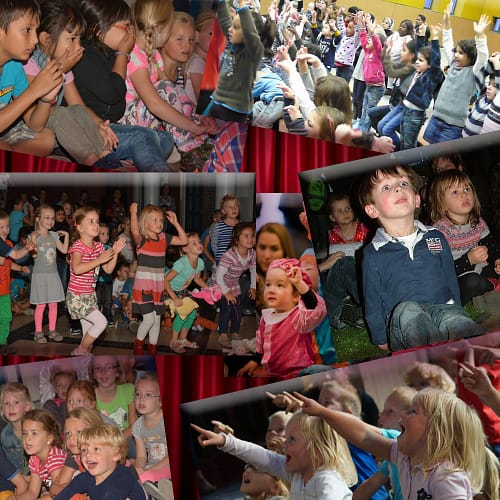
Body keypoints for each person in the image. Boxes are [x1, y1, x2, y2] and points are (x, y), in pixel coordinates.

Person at [359, 165, 483, 351]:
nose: (398, 188)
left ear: (416, 199)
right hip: (402, 319)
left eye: (403, 183)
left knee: (456, 320)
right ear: (372, 210)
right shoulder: (374, 253)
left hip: (442, 308)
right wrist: (379, 336)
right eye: (386, 187)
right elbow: (372, 299)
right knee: (408, 311)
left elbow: (450, 278)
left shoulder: (436, 237)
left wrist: (457, 308)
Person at [295, 388, 493, 499]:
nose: (403, 415)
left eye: (412, 411)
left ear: (435, 432)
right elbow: (364, 434)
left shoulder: (446, 477)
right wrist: (322, 412)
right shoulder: (404, 457)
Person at [73, 0, 176, 172]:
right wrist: (123, 53)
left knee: (166, 139)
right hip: (92, 130)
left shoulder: (108, 53)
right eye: (126, 26)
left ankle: (130, 156)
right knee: (142, 137)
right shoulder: (86, 57)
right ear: (98, 30)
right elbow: (114, 93)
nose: (131, 32)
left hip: (112, 128)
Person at [23, 0, 121, 168]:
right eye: (72, 39)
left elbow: (78, 105)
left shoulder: (64, 66)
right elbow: (36, 108)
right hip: (33, 124)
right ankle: (91, 161)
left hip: (54, 125)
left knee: (77, 111)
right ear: (46, 39)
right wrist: (61, 70)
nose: (79, 47)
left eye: (79, 39)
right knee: (60, 113)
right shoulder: (29, 64)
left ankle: (105, 155)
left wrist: (99, 124)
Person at [191, 407, 357, 499]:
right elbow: (259, 455)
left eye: (291, 439)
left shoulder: (328, 481)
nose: (284, 443)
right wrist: (225, 441)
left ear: (317, 449)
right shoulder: (297, 475)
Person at [237, 258, 326, 378]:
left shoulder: (299, 317)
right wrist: (255, 361)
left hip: (298, 374)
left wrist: (299, 284)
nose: (271, 290)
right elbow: (260, 343)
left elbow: (315, 308)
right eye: (268, 284)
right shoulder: (266, 316)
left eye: (280, 285)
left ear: (296, 295)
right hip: (272, 372)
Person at [0, 0, 63, 157]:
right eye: (27, 30)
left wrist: (45, 99)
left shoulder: (15, 67)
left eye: (36, 30)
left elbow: (34, 125)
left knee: (47, 138)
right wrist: (33, 91)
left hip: (5, 132)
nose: (35, 39)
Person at [429, 169, 500, 306]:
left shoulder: (477, 222)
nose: (464, 194)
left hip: (480, 271)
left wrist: (497, 259)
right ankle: (487, 293)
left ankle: (487, 293)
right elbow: (437, 270)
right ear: (442, 202)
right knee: (472, 281)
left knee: (484, 275)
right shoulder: (436, 232)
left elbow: (491, 246)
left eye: (467, 189)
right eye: (455, 192)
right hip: (454, 281)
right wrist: (468, 260)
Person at [423, 7, 490, 143]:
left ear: (471, 57)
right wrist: (447, 22)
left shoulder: (473, 72)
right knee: (428, 150)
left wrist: (480, 36)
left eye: (461, 53)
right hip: (436, 118)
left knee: (443, 155)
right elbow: (448, 43)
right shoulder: (453, 64)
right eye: (456, 52)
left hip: (453, 126)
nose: (456, 55)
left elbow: (483, 57)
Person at [66, 206, 126, 356]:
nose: (96, 225)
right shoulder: (78, 247)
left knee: (89, 337)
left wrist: (115, 253)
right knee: (101, 322)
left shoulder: (99, 246)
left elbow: (108, 270)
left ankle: (83, 360)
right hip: (77, 296)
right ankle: (80, 351)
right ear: (80, 227)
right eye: (91, 221)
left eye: (97, 221)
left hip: (90, 295)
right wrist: (99, 260)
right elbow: (77, 269)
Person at [130, 202, 187, 355]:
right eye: (154, 220)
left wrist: (176, 223)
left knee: (156, 320)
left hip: (157, 287)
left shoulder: (163, 238)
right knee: (148, 319)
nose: (159, 223)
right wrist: (133, 213)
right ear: (145, 223)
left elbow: (184, 241)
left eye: (161, 220)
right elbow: (134, 230)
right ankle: (138, 345)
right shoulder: (142, 240)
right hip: (143, 287)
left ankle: (153, 349)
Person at [51, 424, 147, 500]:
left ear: (116, 455)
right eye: (84, 450)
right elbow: (65, 494)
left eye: (96, 449)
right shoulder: (86, 478)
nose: (88, 455)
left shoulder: (123, 477)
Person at [208, 0, 264, 123]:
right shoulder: (235, 46)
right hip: (217, 102)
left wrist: (241, 4)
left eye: (236, 27)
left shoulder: (253, 52)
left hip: (234, 110)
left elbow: (250, 33)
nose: (230, 29)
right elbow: (224, 21)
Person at [322, 193, 368, 330]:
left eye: (348, 208)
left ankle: (362, 304)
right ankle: (345, 306)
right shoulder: (332, 234)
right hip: (342, 279)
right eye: (339, 211)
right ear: (332, 217)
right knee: (341, 263)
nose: (345, 213)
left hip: (361, 273)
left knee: (348, 265)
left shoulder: (363, 228)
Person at [30, 204, 68, 344]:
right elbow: (34, 256)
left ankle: (52, 330)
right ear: (38, 219)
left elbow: (64, 250)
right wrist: (33, 241)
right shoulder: (34, 236)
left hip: (53, 275)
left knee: (53, 304)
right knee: (41, 305)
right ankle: (38, 332)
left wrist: (67, 236)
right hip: (40, 276)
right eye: (47, 217)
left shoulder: (53, 235)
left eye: (52, 218)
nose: (50, 221)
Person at [164, 233, 208, 353]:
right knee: (182, 314)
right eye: (194, 243)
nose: (199, 244)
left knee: (192, 313)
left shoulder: (200, 262)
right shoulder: (181, 264)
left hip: (181, 291)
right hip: (169, 290)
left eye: (199, 242)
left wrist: (209, 288)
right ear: (186, 249)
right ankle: (173, 341)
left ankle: (183, 339)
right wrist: (174, 297)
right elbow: (165, 280)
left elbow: (197, 279)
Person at [215, 222, 256, 348]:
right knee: (227, 308)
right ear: (237, 240)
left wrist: (253, 286)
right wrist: (226, 293)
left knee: (237, 309)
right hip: (220, 283)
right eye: (246, 236)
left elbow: (253, 269)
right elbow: (218, 276)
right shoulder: (229, 255)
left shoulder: (252, 253)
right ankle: (222, 334)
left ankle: (235, 332)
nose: (250, 239)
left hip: (234, 282)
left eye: (252, 236)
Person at [51, 408, 105, 495]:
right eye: (68, 433)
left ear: (96, 432)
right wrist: (55, 488)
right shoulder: (74, 457)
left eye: (79, 432)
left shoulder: (102, 458)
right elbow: (59, 487)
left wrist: (56, 489)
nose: (72, 438)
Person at [17, 409, 66, 499]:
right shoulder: (34, 459)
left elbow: (58, 494)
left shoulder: (55, 458)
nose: (27, 438)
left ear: (49, 438)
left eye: (34, 433)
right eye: (24, 433)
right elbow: (32, 492)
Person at [0, 211, 32, 350]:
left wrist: (20, 268)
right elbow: (16, 255)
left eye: (7, 226)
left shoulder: (7, 243)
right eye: (1, 227)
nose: (5, 230)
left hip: (4, 290)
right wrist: (27, 248)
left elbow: (8, 263)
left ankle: (2, 342)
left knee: (6, 317)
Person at [132, 373, 170, 485]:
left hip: (168, 465)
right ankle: (153, 486)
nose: (141, 399)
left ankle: (161, 487)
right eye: (138, 394)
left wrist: (150, 471)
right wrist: (138, 468)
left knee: (146, 477)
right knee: (132, 472)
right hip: (151, 466)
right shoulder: (137, 426)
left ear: (161, 401)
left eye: (148, 395)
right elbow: (141, 457)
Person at [90, 356, 137, 440]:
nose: (103, 372)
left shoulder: (129, 390)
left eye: (108, 367)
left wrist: (113, 441)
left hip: (126, 440)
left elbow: (134, 427)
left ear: (117, 371)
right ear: (93, 374)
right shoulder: (89, 396)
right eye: (98, 368)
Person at [0, 383, 32, 474]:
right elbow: (12, 466)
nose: (11, 407)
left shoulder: (37, 427)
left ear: (27, 406)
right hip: (21, 476)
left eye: (16, 402)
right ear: (2, 409)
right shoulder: (5, 436)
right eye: (7, 403)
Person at [186, 11, 216, 105]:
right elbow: (203, 102)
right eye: (211, 33)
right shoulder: (197, 63)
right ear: (197, 36)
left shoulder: (201, 61)